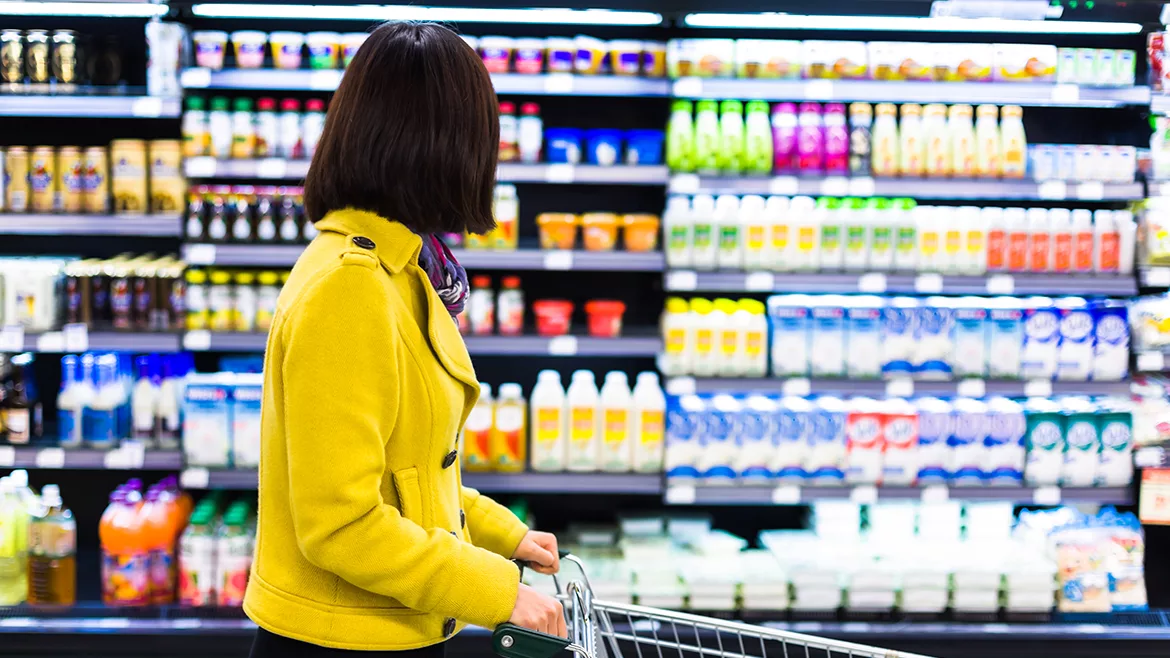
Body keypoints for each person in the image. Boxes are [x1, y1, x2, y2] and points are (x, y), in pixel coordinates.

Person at [243, 21, 565, 658]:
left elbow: (404, 472)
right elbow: (341, 523)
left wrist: (503, 533)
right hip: (342, 643)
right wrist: (500, 592)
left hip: (389, 627)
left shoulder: (402, 267)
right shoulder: (351, 288)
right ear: (445, 146)